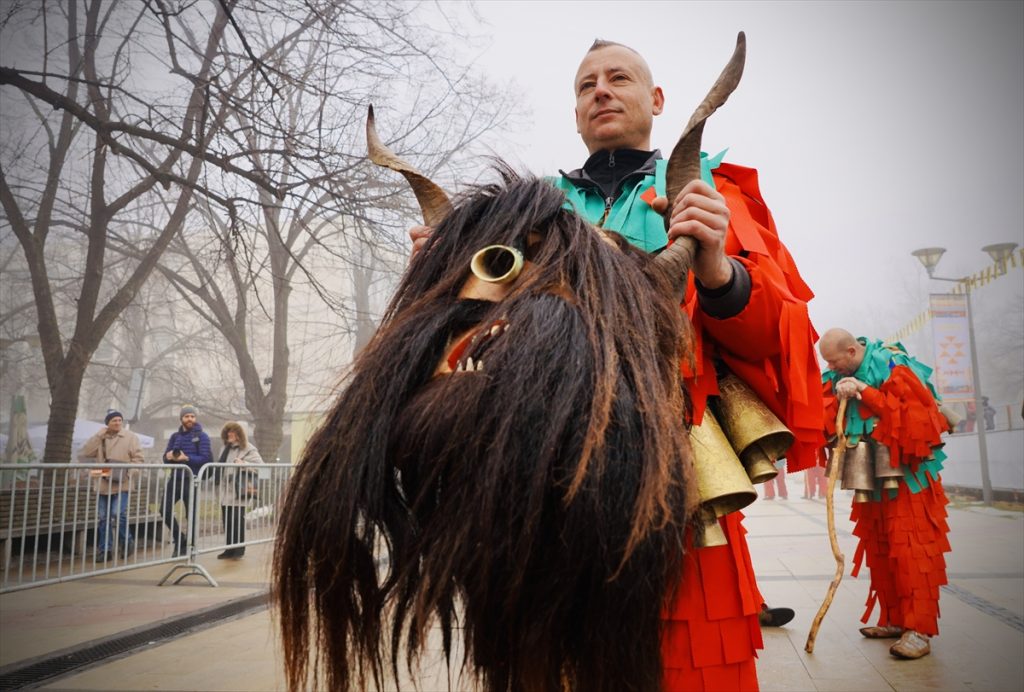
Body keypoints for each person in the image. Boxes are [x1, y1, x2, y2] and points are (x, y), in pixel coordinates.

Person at [409, 38, 824, 691]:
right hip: (540, 489)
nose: (600, 91)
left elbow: (782, 338)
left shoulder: (708, 189)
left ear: (656, 101)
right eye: (585, 85)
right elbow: (466, 338)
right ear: (576, 114)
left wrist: (716, 266)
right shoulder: (526, 212)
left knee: (695, 668)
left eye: (618, 78)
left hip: (680, 481)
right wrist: (438, 275)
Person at [820, 328, 950, 660]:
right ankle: (894, 619)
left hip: (908, 476)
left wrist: (865, 390)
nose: (832, 369)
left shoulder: (892, 363)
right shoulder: (834, 375)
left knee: (912, 551)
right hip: (868, 476)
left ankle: (919, 629)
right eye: (828, 364)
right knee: (881, 547)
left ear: (851, 352)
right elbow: (821, 416)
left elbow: (914, 418)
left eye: (835, 362)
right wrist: (837, 396)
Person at [78, 410, 144, 562]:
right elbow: (86, 453)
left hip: (122, 483)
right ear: (107, 423)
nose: (117, 423)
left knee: (117, 514)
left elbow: (139, 458)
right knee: (103, 518)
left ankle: (127, 541)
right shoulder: (100, 438)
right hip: (103, 483)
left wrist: (129, 473)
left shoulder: (130, 437)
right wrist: (98, 436)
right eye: (114, 420)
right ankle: (105, 550)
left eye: (119, 420)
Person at [161, 404, 212, 556]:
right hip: (175, 479)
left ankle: (189, 547)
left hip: (191, 480)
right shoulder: (174, 437)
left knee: (191, 515)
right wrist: (168, 457)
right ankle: (180, 538)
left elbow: (205, 459)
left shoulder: (202, 437)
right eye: (187, 416)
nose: (190, 419)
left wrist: (186, 458)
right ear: (181, 419)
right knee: (164, 510)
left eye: (192, 416)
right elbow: (165, 458)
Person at [215, 422, 263, 559]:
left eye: (233, 431)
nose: (230, 434)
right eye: (228, 431)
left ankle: (239, 550)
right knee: (227, 520)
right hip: (225, 491)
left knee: (237, 520)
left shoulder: (248, 449)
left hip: (239, 490)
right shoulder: (224, 448)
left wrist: (244, 464)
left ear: (239, 434)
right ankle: (229, 549)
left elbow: (262, 468)